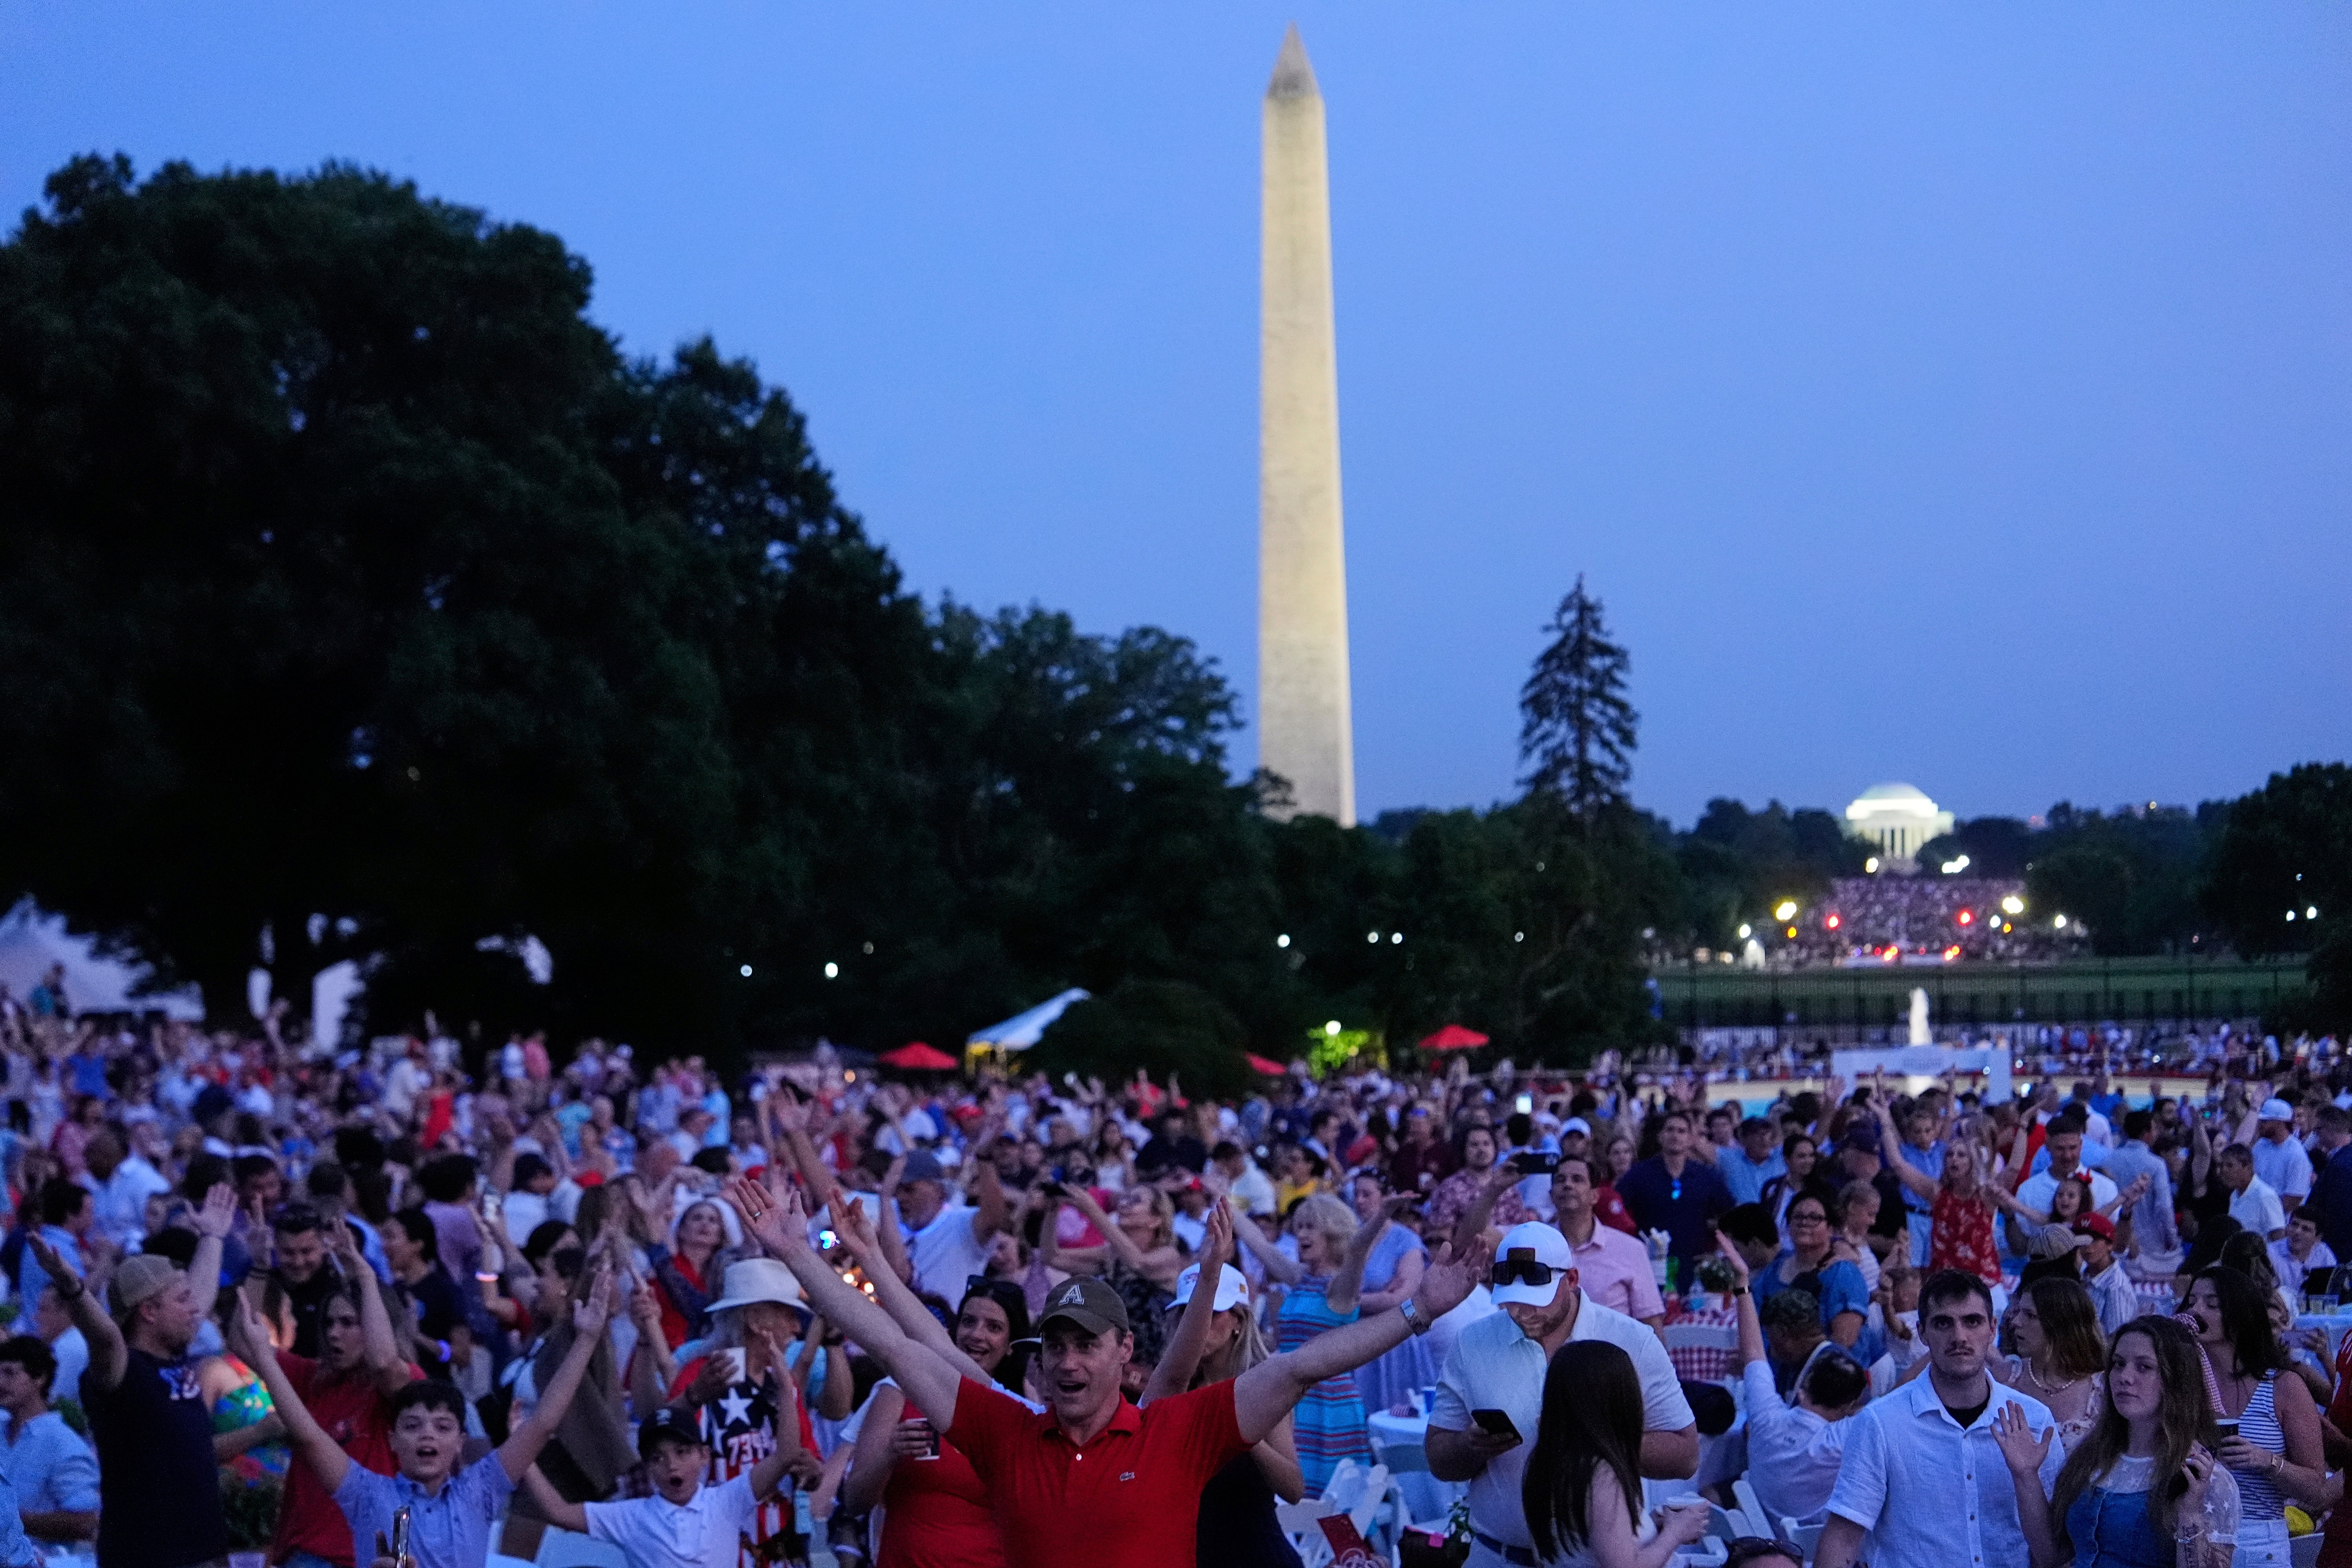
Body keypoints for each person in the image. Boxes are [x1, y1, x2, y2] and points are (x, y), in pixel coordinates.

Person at [725, 1176, 1475, 1568]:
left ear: (1126, 1355)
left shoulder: (1175, 1430)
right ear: (1040, 1359)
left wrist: (1419, 1313)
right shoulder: (1005, 1431)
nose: (1070, 1361)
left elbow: (1306, 1363)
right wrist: (797, 1257)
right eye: (1056, 1346)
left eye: (1088, 1345)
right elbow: (895, 1342)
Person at [235, 1265, 616, 1568]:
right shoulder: (366, 1493)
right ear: (392, 1440)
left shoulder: (480, 1489)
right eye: (413, 1426)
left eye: (443, 1427)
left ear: (460, 1443)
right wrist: (266, 1360)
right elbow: (310, 1436)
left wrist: (585, 1341)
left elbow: (543, 1422)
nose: (427, 1436)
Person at [1428, 1223, 1697, 1568]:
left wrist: (1587, 1440)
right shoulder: (1473, 1342)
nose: (1521, 1313)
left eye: (1535, 1300)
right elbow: (1438, 1456)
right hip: (1498, 1555)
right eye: (1511, 1300)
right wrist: (1470, 1446)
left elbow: (1686, 1455)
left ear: (1572, 1279)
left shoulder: (1632, 1342)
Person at [34, 1182, 233, 1568]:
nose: (195, 1309)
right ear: (149, 1312)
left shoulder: (175, 1356)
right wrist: (73, 1287)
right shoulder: (121, 1372)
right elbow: (106, 1337)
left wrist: (213, 1236)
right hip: (148, 1557)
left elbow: (203, 1296)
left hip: (205, 1555)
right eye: (182, 1299)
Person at [835, 1196, 1037, 1568]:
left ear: (1011, 1347)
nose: (977, 1335)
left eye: (994, 1328)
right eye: (970, 1322)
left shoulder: (1026, 1409)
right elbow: (855, 1500)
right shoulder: (899, 1391)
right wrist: (890, 1456)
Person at [1814, 1269, 2064, 1568]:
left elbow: (2055, 1554)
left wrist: (2027, 1479)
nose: (1959, 1337)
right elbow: (1843, 1537)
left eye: (1972, 1321)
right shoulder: (1881, 1423)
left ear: (1993, 1329)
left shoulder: (2034, 1419)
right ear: (1922, 1333)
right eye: (1944, 1323)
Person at [1991, 1314, 2238, 1568]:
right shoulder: (2089, 1457)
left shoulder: (2201, 1477)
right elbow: (2052, 1556)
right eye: (2118, 1364)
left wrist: (2189, 1512)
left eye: (2144, 1367)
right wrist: (2026, 1475)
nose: (2125, 1377)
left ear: (2175, 1379)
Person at [1145, 1202, 1305, 1568]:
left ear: (1238, 1321)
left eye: (1211, 1313)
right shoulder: (1170, 1389)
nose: (1198, 1323)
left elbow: (1294, 1488)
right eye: (1188, 1313)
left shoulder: (1263, 1387)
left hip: (1256, 1556)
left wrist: (1240, 1431)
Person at [266, 1220, 419, 1568]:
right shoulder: (314, 1378)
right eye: (329, 1324)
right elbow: (245, 1341)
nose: (334, 1334)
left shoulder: (405, 1384)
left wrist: (365, 1276)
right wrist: (259, 1265)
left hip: (372, 1557)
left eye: (349, 1323)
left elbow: (383, 1362)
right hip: (304, 1554)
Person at [519, 1403, 799, 1568]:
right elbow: (558, 1512)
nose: (671, 1465)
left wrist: (787, 1385)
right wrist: (523, 1453)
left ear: (704, 1456)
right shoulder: (632, 1516)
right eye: (658, 1458)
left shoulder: (726, 1501)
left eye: (681, 1452)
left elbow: (786, 1455)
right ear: (648, 1468)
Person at [2179, 1265, 2329, 1566]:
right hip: (2190, 1535)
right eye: (2192, 1301)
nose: (2196, 1310)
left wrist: (2267, 1461)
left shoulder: (2282, 1386)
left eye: (2211, 1304)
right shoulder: (2181, 1384)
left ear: (2239, 1316)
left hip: (2258, 1542)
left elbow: (2318, 1492)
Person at [1714, 1231, 1864, 1529]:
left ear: (1805, 1390)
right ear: (1850, 1408)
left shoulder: (1766, 1419)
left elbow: (1754, 1354)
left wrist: (1743, 1287)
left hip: (1761, 1540)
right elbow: (1898, 1396)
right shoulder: (1843, 1440)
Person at [1519, 1341, 1712, 1568]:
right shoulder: (1600, 1474)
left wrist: (1651, 1525)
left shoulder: (1545, 1459)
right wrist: (1676, 1532)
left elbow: (1589, 1543)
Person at [1449, 1155, 1662, 1330]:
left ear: (1595, 1196)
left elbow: (1651, 1322)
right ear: (1552, 1195)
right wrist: (1494, 1188)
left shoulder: (1630, 1249)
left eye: (1578, 1179)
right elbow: (1470, 1240)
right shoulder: (1529, 1242)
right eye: (1560, 1180)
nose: (1568, 1184)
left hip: (1611, 1367)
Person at [0, 1336, 98, 1557]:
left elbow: (86, 1521)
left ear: (40, 1379)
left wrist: (14, 1521)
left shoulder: (64, 1443)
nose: (0, 1382)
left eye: (10, 1373)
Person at [1991, 1276, 2107, 1449]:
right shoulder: (2004, 1378)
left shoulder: (2102, 1390)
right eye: (2018, 1313)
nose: (2016, 1322)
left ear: (2061, 1325)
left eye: (2030, 1315)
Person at [1613, 1110, 1732, 1274]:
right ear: (1660, 1136)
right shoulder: (1639, 1174)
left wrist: (1716, 1246)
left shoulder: (1707, 1177)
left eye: (1681, 1131)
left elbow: (1730, 1214)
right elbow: (1614, 1209)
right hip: (1648, 1266)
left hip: (1695, 1267)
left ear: (1691, 1139)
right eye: (1670, 1130)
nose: (1675, 1136)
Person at [1753, 1195, 1868, 1355]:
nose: (1804, 1222)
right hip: (1772, 1370)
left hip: (1827, 1371)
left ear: (1830, 1230)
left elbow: (1844, 1341)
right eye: (1798, 1217)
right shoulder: (1771, 1272)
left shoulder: (1843, 1274)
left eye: (1815, 1218)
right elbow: (1754, 1325)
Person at [2077, 1215, 2141, 1336]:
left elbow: (2115, 1339)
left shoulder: (2116, 1287)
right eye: (2083, 1241)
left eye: (2095, 1240)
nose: (2088, 1248)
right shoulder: (2083, 1271)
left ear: (2110, 1245)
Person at [2249, 1101, 2310, 1218]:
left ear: (2280, 1124)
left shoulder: (2296, 1154)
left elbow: (2293, 1199)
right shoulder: (2261, 1145)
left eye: (2265, 1122)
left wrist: (2264, 1214)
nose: (2260, 1124)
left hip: (2277, 1221)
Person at [2215, 1146, 2288, 1243]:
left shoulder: (2265, 1196)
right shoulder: (2235, 1195)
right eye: (2222, 1166)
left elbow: (2279, 1237)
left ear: (2248, 1168)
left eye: (2230, 1166)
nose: (2224, 1171)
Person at [1715, 1118, 1785, 1207]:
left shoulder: (1782, 1156)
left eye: (1767, 1134)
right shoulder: (1729, 1158)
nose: (1764, 1140)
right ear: (1744, 1139)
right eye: (1758, 1135)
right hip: (1741, 1217)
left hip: (1775, 1218)